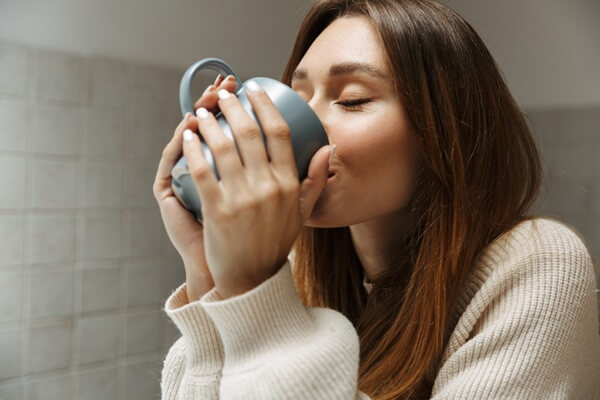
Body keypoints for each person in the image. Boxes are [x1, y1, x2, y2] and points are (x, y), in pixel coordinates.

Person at [152, 0, 600, 398]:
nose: (288, 125)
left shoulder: (538, 264)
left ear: (444, 133)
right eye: (297, 96)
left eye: (352, 100)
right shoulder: (295, 267)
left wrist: (257, 294)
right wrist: (211, 275)